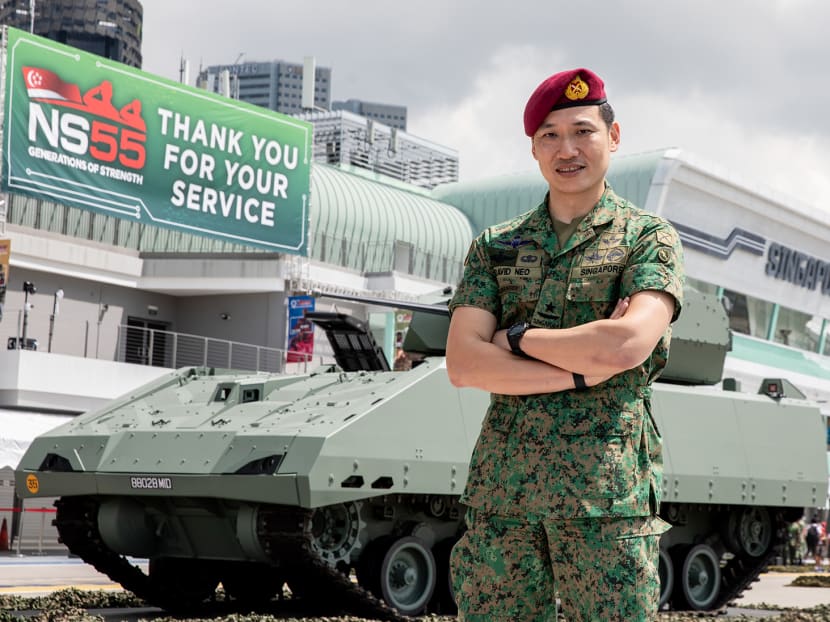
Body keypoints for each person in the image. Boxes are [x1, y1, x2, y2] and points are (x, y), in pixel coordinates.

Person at [445, 67, 685, 621]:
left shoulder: (646, 238)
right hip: (504, 496)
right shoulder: (496, 247)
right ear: (533, 148)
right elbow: (463, 363)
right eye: (549, 135)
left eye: (582, 131)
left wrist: (519, 338)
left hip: (606, 496)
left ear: (614, 136)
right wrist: (582, 369)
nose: (567, 149)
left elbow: (625, 345)